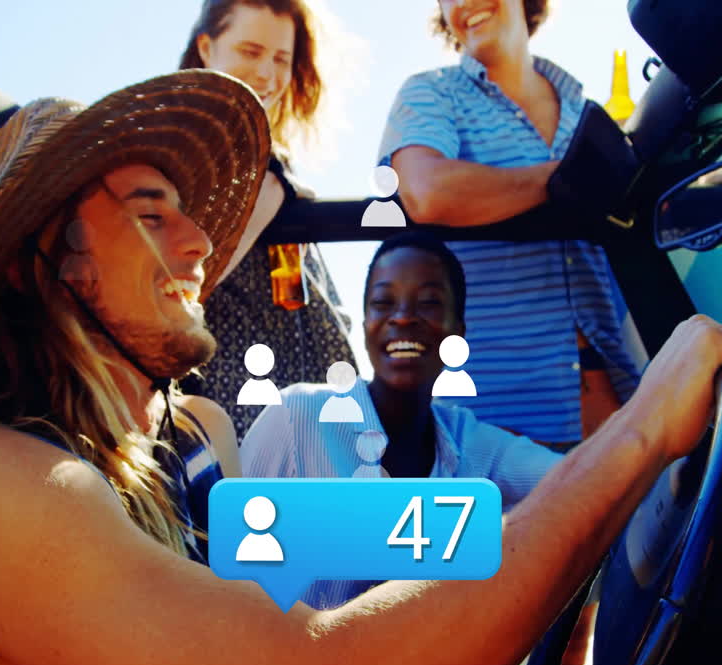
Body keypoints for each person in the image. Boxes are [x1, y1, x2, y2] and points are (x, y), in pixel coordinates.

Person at [0, 69, 722, 665]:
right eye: (149, 212)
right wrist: (644, 427)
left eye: (428, 304)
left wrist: (666, 464)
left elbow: (455, 529)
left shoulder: (174, 467)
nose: (200, 242)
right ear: (46, 264)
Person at [236, 231, 565, 608]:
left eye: (428, 302)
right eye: (383, 302)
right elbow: (233, 564)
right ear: (365, 326)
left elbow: (577, 481)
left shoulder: (471, 443)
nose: (404, 317)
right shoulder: (295, 417)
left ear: (458, 333)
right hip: (287, 659)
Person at [380, 0, 643, 449]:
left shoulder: (586, 110)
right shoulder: (431, 93)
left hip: (620, 406)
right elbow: (426, 192)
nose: (462, 3)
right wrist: (572, 177)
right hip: (496, 427)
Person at [178, 0, 356, 439]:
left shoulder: (273, 169)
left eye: (281, 59)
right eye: (250, 51)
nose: (267, 75)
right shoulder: (181, 164)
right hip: (227, 414)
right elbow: (187, 285)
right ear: (206, 47)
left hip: (304, 413)